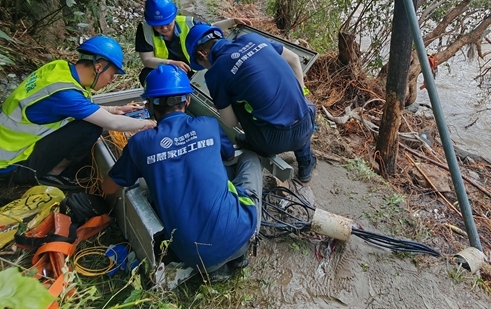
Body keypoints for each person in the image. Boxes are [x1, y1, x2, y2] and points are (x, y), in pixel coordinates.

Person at [102, 65, 262, 282]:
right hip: (239, 233)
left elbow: (108, 187)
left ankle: (215, 268)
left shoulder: (140, 143)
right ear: (187, 101)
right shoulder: (208, 124)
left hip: (192, 255)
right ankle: (242, 249)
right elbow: (228, 155)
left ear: (148, 106)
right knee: (250, 159)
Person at [0, 36, 156, 188]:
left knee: (85, 122)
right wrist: (148, 123)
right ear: (99, 67)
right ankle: (54, 173)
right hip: (12, 165)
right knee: (89, 128)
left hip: (12, 147)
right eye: (112, 75)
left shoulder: (59, 69)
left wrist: (115, 109)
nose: (110, 80)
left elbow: (81, 107)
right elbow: (112, 123)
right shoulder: (66, 95)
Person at [185, 25, 317, 182]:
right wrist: (299, 96)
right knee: (293, 104)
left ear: (202, 54)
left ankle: (255, 143)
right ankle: (305, 164)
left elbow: (230, 121)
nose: (206, 68)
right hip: (307, 120)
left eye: (202, 64)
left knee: (236, 101)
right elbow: (294, 59)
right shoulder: (252, 38)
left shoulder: (215, 72)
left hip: (273, 141)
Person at [135, 0, 249, 85]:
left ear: (174, 16)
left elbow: (210, 28)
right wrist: (171, 63)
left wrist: (232, 21)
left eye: (167, 23)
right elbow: (147, 60)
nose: (164, 28)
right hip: (165, 71)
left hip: (191, 69)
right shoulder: (145, 30)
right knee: (146, 76)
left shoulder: (188, 23)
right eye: (158, 25)